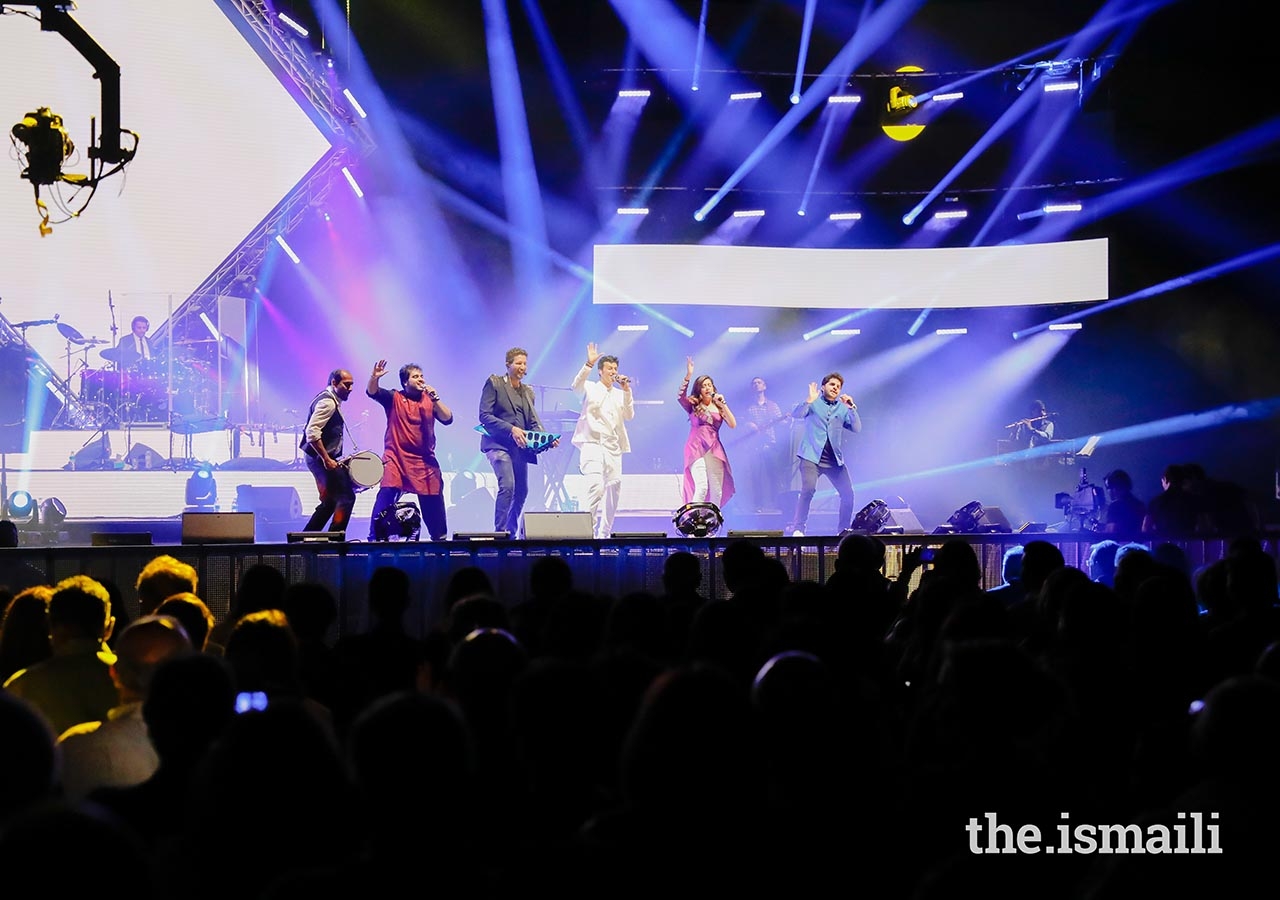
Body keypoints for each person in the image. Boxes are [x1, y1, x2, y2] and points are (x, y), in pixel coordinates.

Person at [366, 360, 455, 541]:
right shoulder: (394, 398)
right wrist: (374, 377)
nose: (420, 379)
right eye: (415, 376)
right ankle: (374, 538)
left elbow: (448, 418)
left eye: (422, 376)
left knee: (433, 497)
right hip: (396, 457)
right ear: (405, 382)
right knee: (386, 494)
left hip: (424, 461)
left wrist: (435, 399)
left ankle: (440, 540)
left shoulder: (430, 400)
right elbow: (372, 392)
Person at [479, 347, 558, 537]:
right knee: (508, 486)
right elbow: (484, 415)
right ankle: (500, 534)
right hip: (498, 445)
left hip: (519, 449)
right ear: (508, 365)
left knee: (521, 491)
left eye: (524, 363)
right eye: (518, 363)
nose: (522, 367)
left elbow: (532, 421)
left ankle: (510, 533)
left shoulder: (528, 392)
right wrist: (511, 429)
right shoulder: (495, 383)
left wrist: (545, 439)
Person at [571, 343, 634, 539]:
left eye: (615, 369)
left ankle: (604, 533)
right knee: (595, 487)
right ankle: (586, 533)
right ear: (601, 371)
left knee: (614, 488)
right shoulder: (590, 387)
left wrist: (626, 391)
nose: (613, 372)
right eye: (609, 368)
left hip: (613, 446)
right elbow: (576, 387)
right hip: (592, 443)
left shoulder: (619, 393)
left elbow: (629, 415)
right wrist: (588, 364)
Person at [786, 372, 860, 537]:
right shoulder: (814, 403)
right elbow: (796, 414)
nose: (835, 388)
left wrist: (851, 408)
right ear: (823, 387)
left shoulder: (842, 408)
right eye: (832, 384)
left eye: (838, 386)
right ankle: (799, 527)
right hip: (811, 457)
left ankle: (843, 531)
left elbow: (856, 428)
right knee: (808, 489)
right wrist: (809, 400)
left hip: (834, 461)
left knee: (848, 494)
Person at [299, 368, 357, 534]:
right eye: (347, 385)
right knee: (346, 497)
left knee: (330, 501)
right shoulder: (328, 402)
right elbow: (312, 432)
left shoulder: (330, 399)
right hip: (318, 458)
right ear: (334, 382)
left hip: (317, 457)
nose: (351, 389)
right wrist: (326, 458)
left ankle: (304, 538)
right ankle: (335, 539)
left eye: (352, 385)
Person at [678, 358, 736, 510]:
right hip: (696, 448)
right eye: (703, 386)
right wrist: (688, 375)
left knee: (717, 490)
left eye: (709, 385)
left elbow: (732, 424)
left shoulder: (718, 405)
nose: (707, 388)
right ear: (699, 390)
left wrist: (723, 404)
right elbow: (680, 397)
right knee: (702, 486)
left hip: (714, 449)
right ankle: (693, 521)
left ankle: (712, 525)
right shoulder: (693, 404)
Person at [742, 375, 786, 512]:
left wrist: (785, 421)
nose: (756, 385)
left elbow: (781, 422)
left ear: (764, 386)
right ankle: (758, 505)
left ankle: (776, 504)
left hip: (770, 444)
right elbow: (743, 424)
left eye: (759, 382)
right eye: (754, 383)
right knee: (756, 477)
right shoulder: (748, 407)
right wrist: (750, 425)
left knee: (774, 475)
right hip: (755, 445)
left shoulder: (772, 406)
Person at [1100, 468, 1146, 536]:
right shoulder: (1140, 505)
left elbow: (1111, 531)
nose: (1108, 491)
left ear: (1116, 487)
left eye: (1108, 487)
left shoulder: (1114, 507)